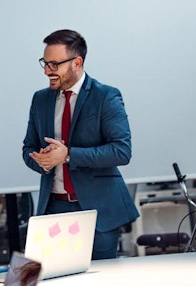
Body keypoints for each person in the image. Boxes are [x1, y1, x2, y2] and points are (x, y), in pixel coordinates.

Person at [22, 29, 139, 260]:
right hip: (53, 208)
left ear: (77, 63)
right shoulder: (40, 99)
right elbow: (28, 148)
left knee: (100, 279)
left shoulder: (105, 96)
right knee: (51, 278)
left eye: (54, 64)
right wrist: (43, 161)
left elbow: (121, 151)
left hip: (98, 211)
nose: (47, 71)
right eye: (45, 63)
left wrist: (67, 156)